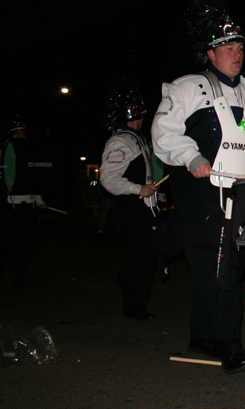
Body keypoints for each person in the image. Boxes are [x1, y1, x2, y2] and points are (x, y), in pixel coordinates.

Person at [151, 0, 245, 374]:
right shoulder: (186, 88)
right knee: (216, 266)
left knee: (227, 267)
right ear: (210, 53)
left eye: (239, 48)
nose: (237, 54)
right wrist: (194, 158)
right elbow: (164, 133)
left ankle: (203, 338)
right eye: (228, 48)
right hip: (202, 193)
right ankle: (230, 345)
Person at [99, 79, 158, 320]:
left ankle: (132, 291)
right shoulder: (120, 141)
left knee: (147, 256)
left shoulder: (137, 138)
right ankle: (134, 306)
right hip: (131, 208)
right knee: (141, 259)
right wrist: (138, 189)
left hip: (144, 209)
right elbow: (108, 179)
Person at [0, 121, 47, 285]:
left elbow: (35, 180)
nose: (22, 137)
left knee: (24, 243)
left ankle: (19, 274)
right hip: (8, 205)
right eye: (18, 134)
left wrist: (38, 198)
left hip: (27, 205)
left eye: (23, 134)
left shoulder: (31, 154)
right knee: (4, 240)